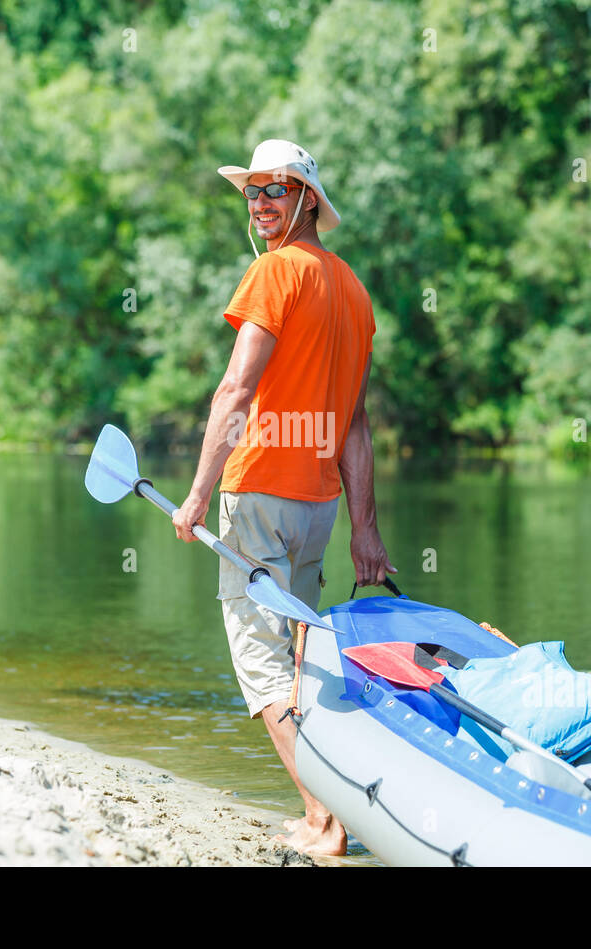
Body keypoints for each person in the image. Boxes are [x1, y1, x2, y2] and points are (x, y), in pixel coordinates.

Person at [172, 140, 396, 856]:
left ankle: (325, 821)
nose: (261, 202)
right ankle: (339, 809)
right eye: (253, 192)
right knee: (299, 662)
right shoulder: (353, 289)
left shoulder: (275, 273)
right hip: (316, 508)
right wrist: (364, 531)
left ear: (306, 199)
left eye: (275, 189)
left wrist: (198, 494)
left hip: (260, 493)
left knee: (266, 668)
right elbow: (354, 424)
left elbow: (236, 390)